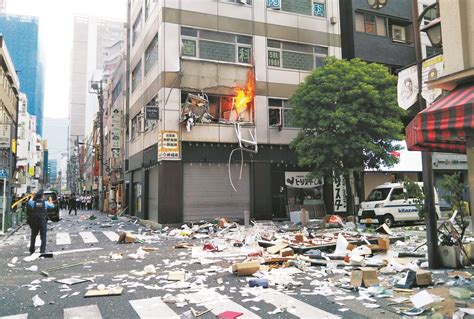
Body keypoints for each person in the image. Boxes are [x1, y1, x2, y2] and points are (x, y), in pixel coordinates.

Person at [27, 190, 55, 255]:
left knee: (33, 235)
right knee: (43, 236)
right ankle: (42, 250)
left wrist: (32, 196)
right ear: (42, 196)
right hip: (42, 221)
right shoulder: (45, 203)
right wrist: (50, 200)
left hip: (34, 221)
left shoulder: (33, 203)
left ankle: (32, 249)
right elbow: (52, 206)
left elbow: (29, 202)